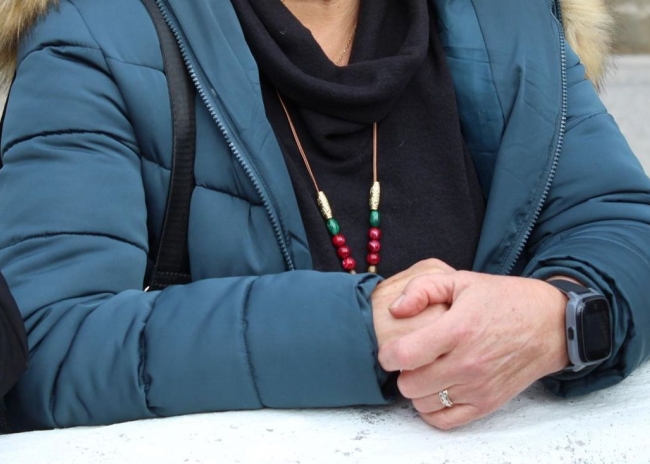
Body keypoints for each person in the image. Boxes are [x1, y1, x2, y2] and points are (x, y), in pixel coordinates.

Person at [0, 0, 649, 432]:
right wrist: (365, 332)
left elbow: (621, 220)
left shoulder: (505, 18)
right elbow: (46, 342)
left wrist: (560, 316)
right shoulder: (99, 37)